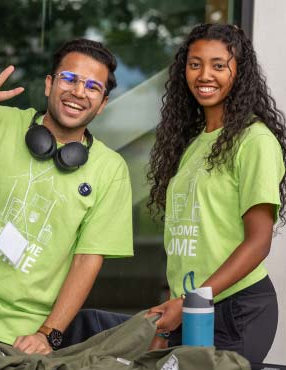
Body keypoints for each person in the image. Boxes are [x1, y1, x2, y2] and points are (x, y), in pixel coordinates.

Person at [0, 38, 133, 354]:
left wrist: (49, 334)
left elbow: (87, 260)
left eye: (92, 87)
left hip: (18, 336)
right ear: (49, 84)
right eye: (69, 79)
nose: (78, 92)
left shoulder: (110, 169)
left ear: (102, 104)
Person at [146, 23, 286, 362]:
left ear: (239, 72)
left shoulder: (255, 141)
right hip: (190, 308)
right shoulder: (192, 145)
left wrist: (189, 302)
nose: (204, 74)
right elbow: (188, 244)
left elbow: (258, 242)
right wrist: (171, 318)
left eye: (218, 65)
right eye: (195, 64)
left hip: (235, 310)